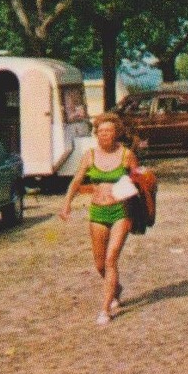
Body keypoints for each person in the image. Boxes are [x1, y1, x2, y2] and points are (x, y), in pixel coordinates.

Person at [59, 112, 138, 326]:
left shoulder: (127, 155)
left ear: (116, 133)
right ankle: (116, 288)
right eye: (101, 131)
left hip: (121, 212)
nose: (104, 135)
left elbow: (140, 181)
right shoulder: (90, 156)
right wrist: (67, 204)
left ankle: (105, 309)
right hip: (98, 212)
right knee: (99, 264)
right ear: (96, 134)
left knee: (111, 259)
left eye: (109, 131)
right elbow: (76, 181)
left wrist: (138, 210)